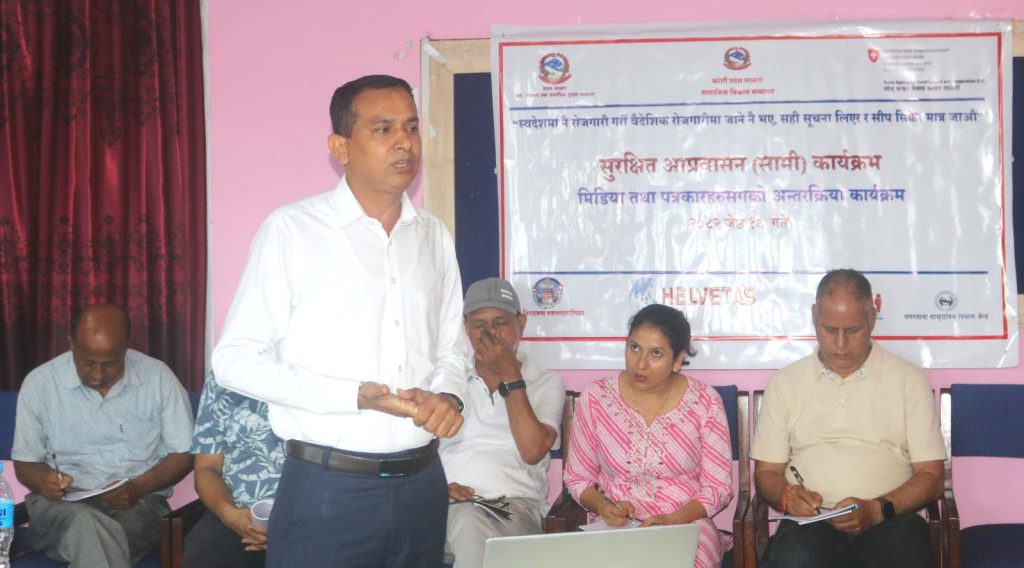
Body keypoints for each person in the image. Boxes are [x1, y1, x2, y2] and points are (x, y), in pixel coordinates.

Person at [212, 74, 468, 568]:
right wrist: (353, 396)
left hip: (422, 486)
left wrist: (448, 397)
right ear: (340, 147)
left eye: (411, 127)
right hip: (328, 491)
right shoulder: (292, 231)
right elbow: (235, 360)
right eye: (383, 129)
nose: (404, 143)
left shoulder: (433, 236)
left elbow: (451, 350)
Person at [751, 269, 946, 568]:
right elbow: (766, 473)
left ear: (872, 318)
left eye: (852, 330)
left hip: (890, 519)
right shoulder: (785, 383)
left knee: (904, 556)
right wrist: (787, 496)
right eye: (830, 330)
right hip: (811, 523)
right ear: (814, 315)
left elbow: (932, 477)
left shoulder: (908, 380)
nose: (841, 345)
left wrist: (879, 509)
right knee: (792, 558)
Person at [12, 304, 194, 567]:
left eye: (109, 364)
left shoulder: (159, 379)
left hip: (139, 504)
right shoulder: (40, 383)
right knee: (86, 525)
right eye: (88, 363)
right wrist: (44, 481)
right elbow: (25, 464)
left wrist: (141, 487)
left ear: (128, 347)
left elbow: (185, 454)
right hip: (62, 507)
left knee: (96, 537)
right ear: (71, 344)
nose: (97, 375)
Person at [563, 303, 733, 568]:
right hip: (615, 527)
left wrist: (673, 519)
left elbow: (718, 487)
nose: (640, 364)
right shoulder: (596, 398)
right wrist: (603, 507)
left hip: (686, 524)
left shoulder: (705, 402)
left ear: (677, 360)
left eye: (656, 354)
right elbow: (577, 476)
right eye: (634, 348)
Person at [440, 277, 565, 568]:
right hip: (450, 504)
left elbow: (532, 451)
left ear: (521, 323)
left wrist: (510, 373)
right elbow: (421, 450)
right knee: (465, 518)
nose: (490, 333)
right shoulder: (447, 380)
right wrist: (436, 489)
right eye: (479, 324)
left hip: (516, 507)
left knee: (469, 525)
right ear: (465, 327)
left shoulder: (546, 382)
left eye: (500, 322)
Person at [182, 373, 285, 568]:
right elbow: (206, 468)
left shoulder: (323, 373)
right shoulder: (223, 377)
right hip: (237, 513)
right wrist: (229, 514)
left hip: (307, 516)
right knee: (204, 553)